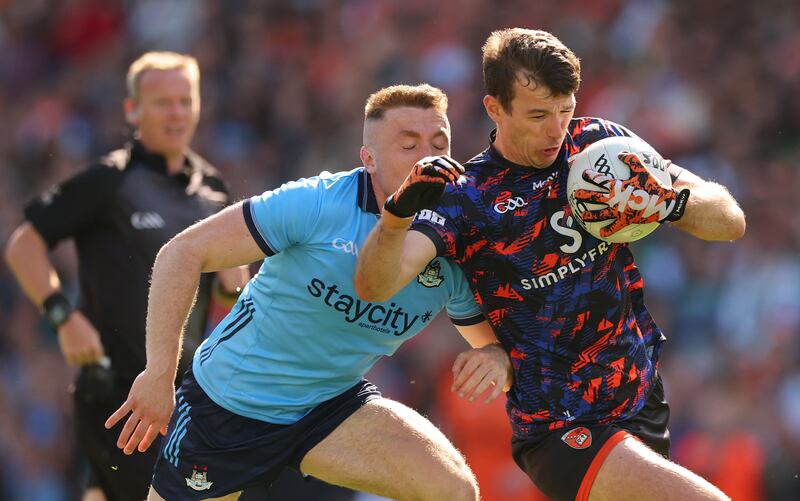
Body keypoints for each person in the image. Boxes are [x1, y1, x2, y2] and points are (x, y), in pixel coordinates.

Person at [354, 28, 746, 501]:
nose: (556, 130)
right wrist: (396, 219)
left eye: (565, 110)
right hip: (560, 428)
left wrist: (665, 199)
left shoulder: (601, 147)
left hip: (641, 402)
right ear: (495, 108)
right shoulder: (465, 197)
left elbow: (728, 220)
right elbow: (375, 286)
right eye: (538, 114)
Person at [104, 84, 512, 501]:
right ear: (368, 159)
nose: (427, 156)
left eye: (439, 143)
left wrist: (496, 358)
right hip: (227, 407)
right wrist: (158, 374)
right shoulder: (317, 204)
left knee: (454, 491)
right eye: (408, 145)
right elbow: (181, 252)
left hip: (329, 407)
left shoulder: (455, 240)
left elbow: (491, 344)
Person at [4, 51, 248, 501]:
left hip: (183, 395)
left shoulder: (213, 189)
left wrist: (236, 283)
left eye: (184, 100)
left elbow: (232, 290)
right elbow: (25, 244)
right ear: (132, 110)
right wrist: (63, 316)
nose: (176, 113)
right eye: (162, 102)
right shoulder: (108, 181)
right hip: (116, 393)